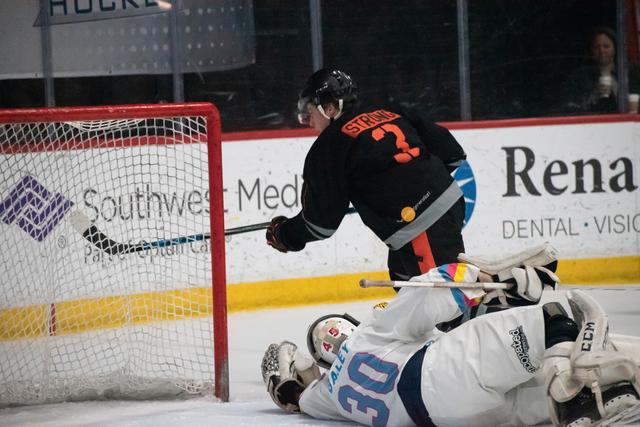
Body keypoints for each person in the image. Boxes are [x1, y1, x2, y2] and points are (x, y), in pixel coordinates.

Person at [261, 263, 640, 427]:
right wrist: (485, 277)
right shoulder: (369, 331)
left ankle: (596, 397)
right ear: (348, 325)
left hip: (451, 418)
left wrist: (290, 384)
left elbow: (298, 395)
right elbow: (422, 298)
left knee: (553, 383)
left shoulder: (329, 393)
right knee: (558, 318)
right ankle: (577, 397)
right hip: (443, 371)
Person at [265, 68, 467, 282]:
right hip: (450, 200)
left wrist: (284, 234)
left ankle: (480, 303)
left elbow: (320, 224)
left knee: (444, 296)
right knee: (404, 279)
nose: (309, 121)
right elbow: (453, 154)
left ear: (329, 108)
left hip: (421, 224)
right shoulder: (388, 111)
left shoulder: (329, 145)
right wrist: (418, 180)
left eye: (310, 112)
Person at [561, 26, 619, 114]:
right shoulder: (579, 76)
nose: (601, 51)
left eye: (606, 46)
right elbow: (569, 107)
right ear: (591, 50)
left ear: (615, 48)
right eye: (596, 47)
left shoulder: (627, 74)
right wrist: (593, 94)